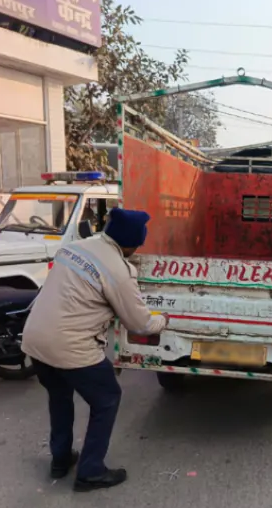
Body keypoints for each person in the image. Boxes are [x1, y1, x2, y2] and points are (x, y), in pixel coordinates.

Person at [21, 207, 169, 493]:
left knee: (59, 396)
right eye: (138, 244)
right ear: (131, 244)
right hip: (71, 346)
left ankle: (61, 459)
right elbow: (139, 323)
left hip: (35, 340)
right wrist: (163, 320)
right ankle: (90, 471)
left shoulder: (73, 248)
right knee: (107, 399)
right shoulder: (119, 271)